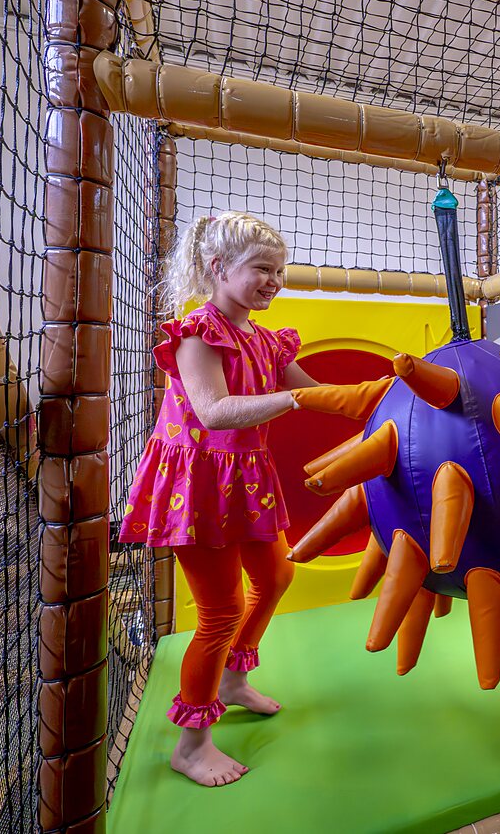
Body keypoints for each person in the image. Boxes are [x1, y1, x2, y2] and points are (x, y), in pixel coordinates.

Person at [119, 211, 321, 787]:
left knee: (277, 576)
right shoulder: (195, 332)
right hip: (196, 484)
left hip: (247, 478)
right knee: (219, 613)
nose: (274, 282)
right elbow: (214, 412)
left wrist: (384, 393)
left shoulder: (267, 339)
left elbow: (314, 391)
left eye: (279, 271)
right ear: (218, 268)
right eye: (262, 269)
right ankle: (192, 744)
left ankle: (233, 680)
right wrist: (294, 404)